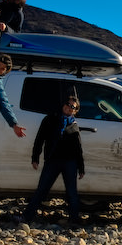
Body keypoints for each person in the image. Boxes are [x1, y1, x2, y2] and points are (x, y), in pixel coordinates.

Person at [17, 96, 85, 224]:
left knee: (71, 192)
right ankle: (26, 217)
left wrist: (81, 167)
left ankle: (74, 220)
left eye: (72, 107)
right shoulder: (50, 119)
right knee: (41, 190)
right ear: (63, 104)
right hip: (52, 161)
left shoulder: (74, 126)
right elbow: (40, 139)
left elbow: (78, 149)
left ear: (75, 111)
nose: (69, 107)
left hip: (69, 162)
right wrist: (35, 157)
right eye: (67, 104)